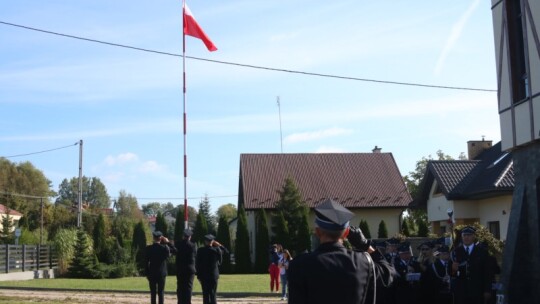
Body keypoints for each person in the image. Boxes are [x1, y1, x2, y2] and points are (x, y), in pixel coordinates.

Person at [288, 198, 394, 304]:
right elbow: (389, 274)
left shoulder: (300, 265)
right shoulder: (363, 262)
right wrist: (365, 245)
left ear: (317, 232)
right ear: (346, 232)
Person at [451, 226, 494, 304]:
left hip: (477, 291)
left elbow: (487, 273)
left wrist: (487, 290)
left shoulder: (482, 252)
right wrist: (453, 270)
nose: (466, 237)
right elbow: (451, 274)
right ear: (461, 237)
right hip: (461, 292)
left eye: (469, 235)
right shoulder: (455, 252)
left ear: (474, 236)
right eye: (464, 235)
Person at [146, 231, 176, 304]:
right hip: (161, 273)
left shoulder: (149, 248)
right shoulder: (164, 248)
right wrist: (168, 242)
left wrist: (147, 273)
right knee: (161, 292)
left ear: (153, 238)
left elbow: (145, 262)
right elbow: (175, 251)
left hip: (152, 272)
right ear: (161, 238)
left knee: (153, 293)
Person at [196, 234, 225, 304]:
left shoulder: (200, 250)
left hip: (204, 275)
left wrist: (198, 276)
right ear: (212, 241)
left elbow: (197, 264)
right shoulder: (216, 250)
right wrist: (219, 245)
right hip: (213, 275)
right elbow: (225, 253)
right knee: (213, 294)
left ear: (205, 241)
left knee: (205, 294)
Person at [176, 228, 196, 304]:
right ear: (190, 237)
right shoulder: (193, 245)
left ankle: (180, 302)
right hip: (190, 269)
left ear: (183, 236)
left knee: (180, 287)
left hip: (180, 268)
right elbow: (194, 255)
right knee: (188, 287)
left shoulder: (178, 244)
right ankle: (188, 302)